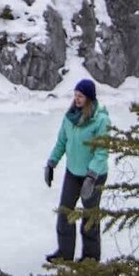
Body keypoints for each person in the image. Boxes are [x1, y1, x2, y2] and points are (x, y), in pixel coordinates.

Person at [44, 78, 110, 262]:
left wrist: (92, 176)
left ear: (89, 98)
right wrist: (51, 163)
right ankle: (65, 253)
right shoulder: (70, 117)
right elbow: (61, 142)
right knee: (65, 211)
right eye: (75, 95)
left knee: (89, 215)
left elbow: (101, 152)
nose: (77, 99)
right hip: (73, 172)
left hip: (94, 175)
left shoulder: (101, 120)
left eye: (80, 96)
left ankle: (90, 257)